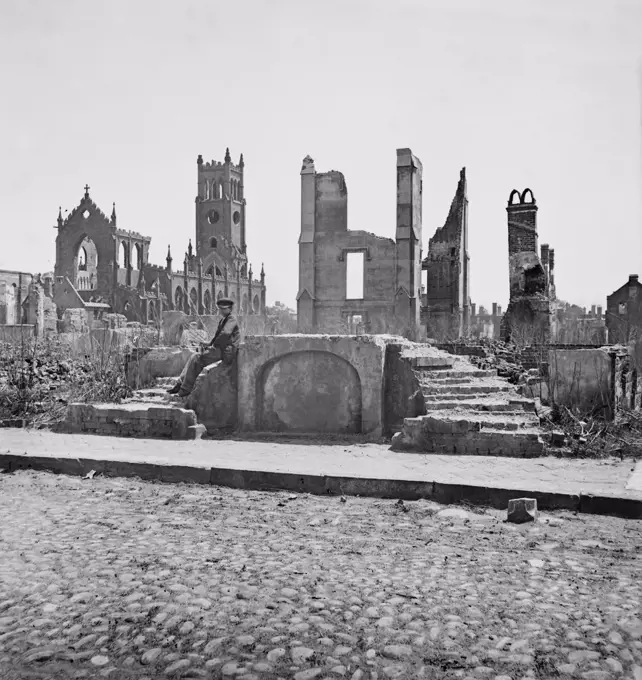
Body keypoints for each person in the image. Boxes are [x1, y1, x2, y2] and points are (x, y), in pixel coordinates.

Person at [167, 297, 240, 398]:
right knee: (193, 357)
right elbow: (218, 336)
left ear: (229, 309)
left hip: (226, 352)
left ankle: (185, 389)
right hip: (221, 349)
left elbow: (225, 334)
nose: (221, 311)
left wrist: (213, 347)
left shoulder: (231, 319)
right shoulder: (225, 319)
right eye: (220, 309)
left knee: (197, 359)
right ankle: (180, 384)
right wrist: (208, 343)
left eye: (224, 309)